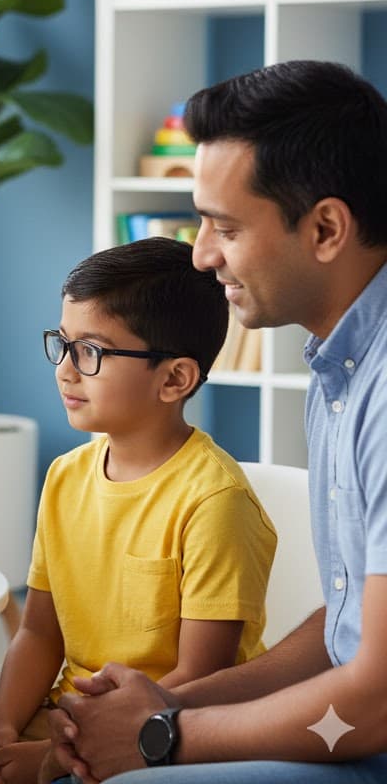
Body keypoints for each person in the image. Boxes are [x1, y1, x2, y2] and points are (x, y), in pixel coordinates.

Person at [51, 59, 387, 784]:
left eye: (223, 227)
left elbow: (375, 701)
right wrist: (166, 707)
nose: (202, 257)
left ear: (327, 227)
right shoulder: (341, 366)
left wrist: (163, 737)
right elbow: (347, 633)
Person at [0, 236, 276, 784]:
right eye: (64, 343)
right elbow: (39, 634)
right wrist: (2, 730)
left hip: (164, 731)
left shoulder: (214, 502)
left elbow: (197, 677)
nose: (66, 370)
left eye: (92, 352)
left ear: (175, 378)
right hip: (65, 717)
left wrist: (53, 761)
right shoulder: (65, 476)